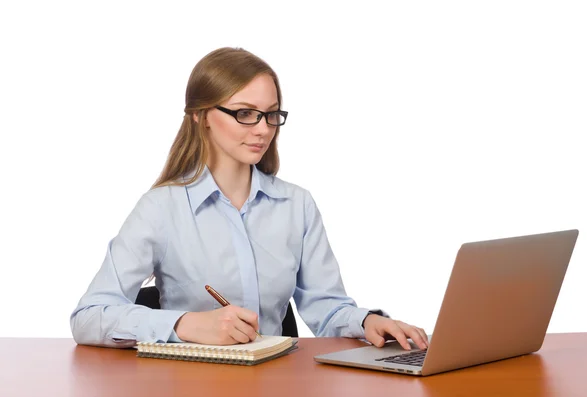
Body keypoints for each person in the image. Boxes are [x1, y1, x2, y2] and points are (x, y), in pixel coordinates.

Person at [70, 47, 429, 351]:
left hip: (278, 381)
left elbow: (327, 308)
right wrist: (184, 325)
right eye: (245, 113)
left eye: (271, 114)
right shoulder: (161, 208)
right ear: (200, 116)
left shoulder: (297, 205)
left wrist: (366, 322)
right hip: (189, 381)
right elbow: (89, 316)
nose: (263, 129)